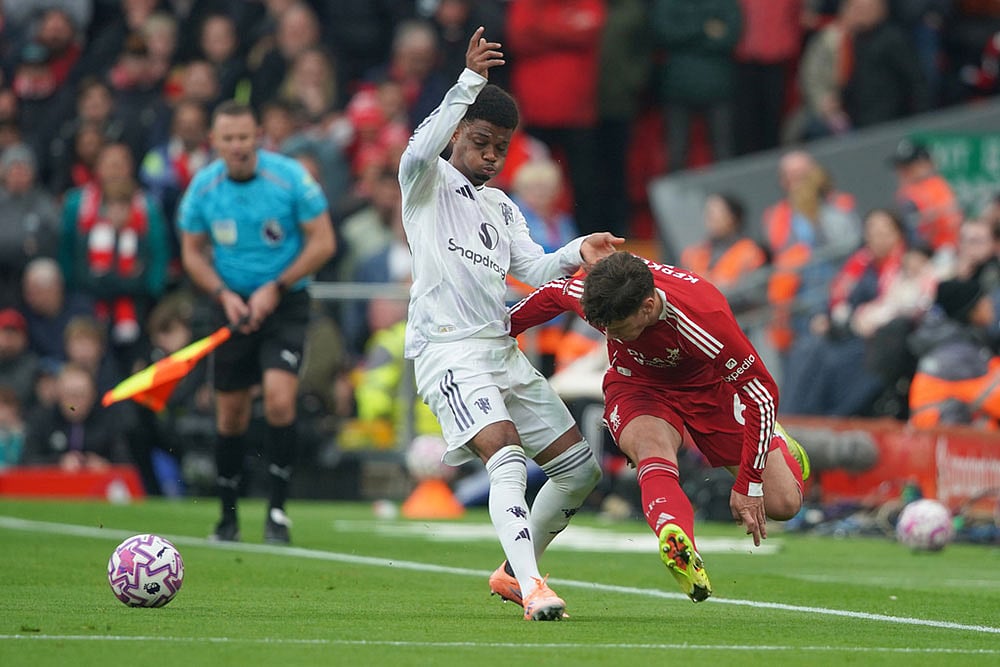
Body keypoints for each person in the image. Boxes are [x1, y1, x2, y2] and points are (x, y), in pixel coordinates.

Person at [398, 28, 623, 621]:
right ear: (456, 135)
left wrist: (579, 247)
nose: (491, 156)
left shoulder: (501, 207)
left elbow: (537, 268)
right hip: (449, 352)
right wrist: (469, 80)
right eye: (480, 142)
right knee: (504, 457)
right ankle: (533, 588)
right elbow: (419, 150)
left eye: (500, 147)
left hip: (501, 351)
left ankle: (511, 571)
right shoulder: (425, 184)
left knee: (580, 471)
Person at [508, 252, 810, 602]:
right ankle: (677, 539)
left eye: (619, 329)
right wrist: (496, 333)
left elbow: (761, 393)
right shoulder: (602, 292)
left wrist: (748, 483)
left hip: (710, 391)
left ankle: (776, 440)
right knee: (651, 448)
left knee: (784, 504)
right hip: (637, 384)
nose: (611, 335)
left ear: (648, 307)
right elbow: (550, 295)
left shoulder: (703, 320)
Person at [177, 100, 336, 545]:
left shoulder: (289, 178)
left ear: (259, 136)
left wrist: (277, 286)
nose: (237, 146)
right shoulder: (204, 189)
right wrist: (221, 293)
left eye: (244, 137)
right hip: (229, 305)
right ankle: (227, 518)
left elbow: (323, 241)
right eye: (228, 138)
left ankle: (278, 512)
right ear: (215, 141)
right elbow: (191, 251)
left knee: (280, 398)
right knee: (230, 414)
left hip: (285, 302)